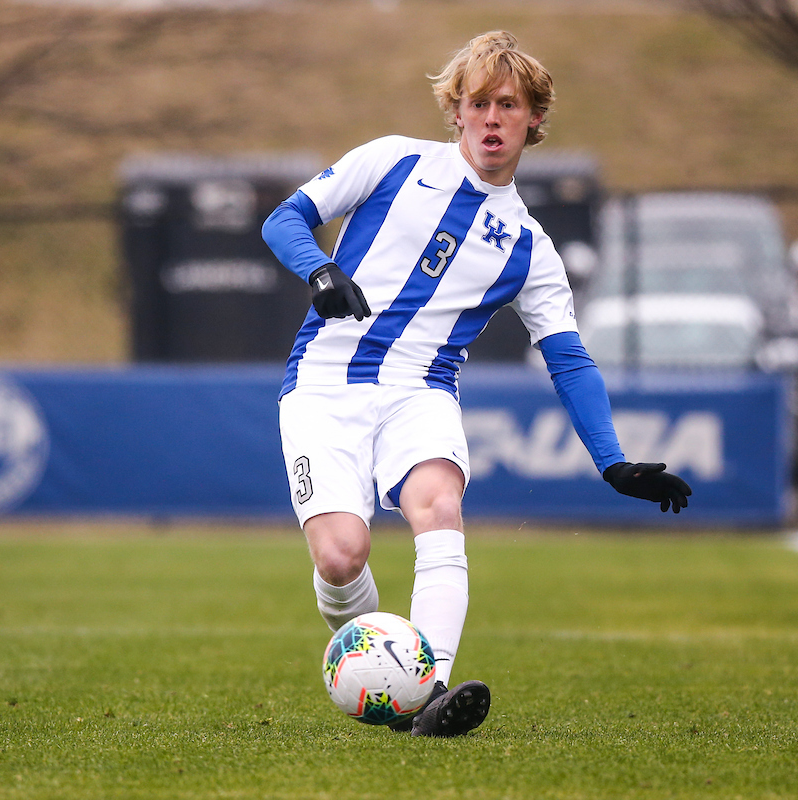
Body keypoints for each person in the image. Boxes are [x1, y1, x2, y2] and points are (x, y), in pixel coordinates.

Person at [261, 31, 691, 738]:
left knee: (439, 508)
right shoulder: (392, 159)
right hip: (323, 384)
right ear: (455, 111)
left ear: (534, 121)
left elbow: (569, 358)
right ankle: (376, 661)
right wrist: (319, 269)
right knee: (342, 556)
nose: (493, 118)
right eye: (480, 103)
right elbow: (286, 218)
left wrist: (611, 460)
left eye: (510, 105)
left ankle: (425, 695)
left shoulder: (530, 247)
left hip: (420, 391)